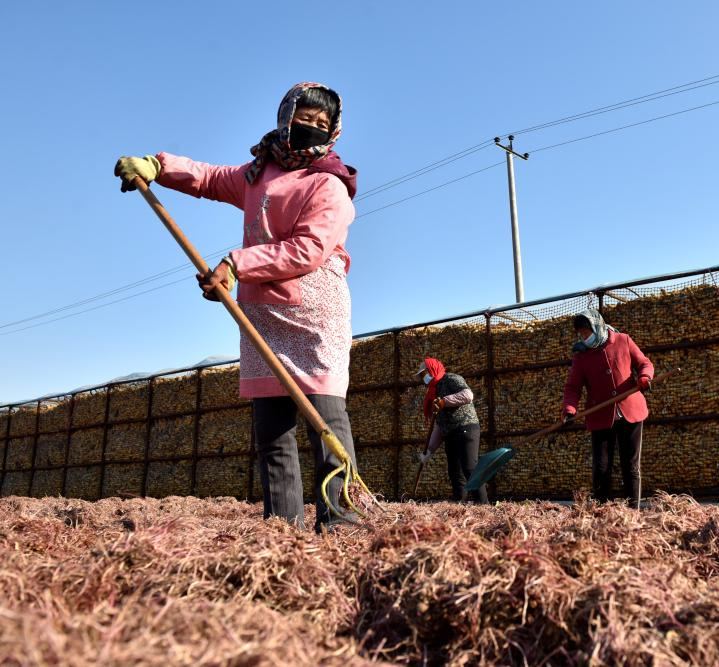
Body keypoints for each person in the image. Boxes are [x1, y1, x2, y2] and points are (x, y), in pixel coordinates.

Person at [115, 82, 359, 532]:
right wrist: (158, 165)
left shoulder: (329, 185)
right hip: (262, 314)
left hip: (312, 316)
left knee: (325, 426)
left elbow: (307, 250)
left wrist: (235, 263)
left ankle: (341, 528)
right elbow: (207, 178)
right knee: (272, 436)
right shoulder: (257, 175)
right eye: (305, 118)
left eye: (322, 124)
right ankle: (281, 535)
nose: (312, 129)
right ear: (286, 118)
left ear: (334, 132)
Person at [561, 309, 654, 509]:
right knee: (601, 468)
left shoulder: (623, 340)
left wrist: (645, 377)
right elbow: (573, 387)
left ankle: (633, 512)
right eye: (582, 335)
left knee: (631, 466)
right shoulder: (581, 356)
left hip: (631, 410)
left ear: (597, 326)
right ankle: (603, 512)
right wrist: (570, 408)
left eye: (587, 332)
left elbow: (644, 363)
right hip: (600, 415)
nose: (585, 337)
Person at [416, 358, 488, 503]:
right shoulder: (433, 391)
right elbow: (439, 425)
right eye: (422, 375)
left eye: (425, 373)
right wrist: (429, 450)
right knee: (454, 471)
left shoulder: (451, 379)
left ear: (432, 370)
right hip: (450, 433)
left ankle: (483, 504)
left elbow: (468, 395)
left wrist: (444, 401)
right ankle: (459, 503)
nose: (424, 377)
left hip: (465, 428)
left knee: (469, 467)